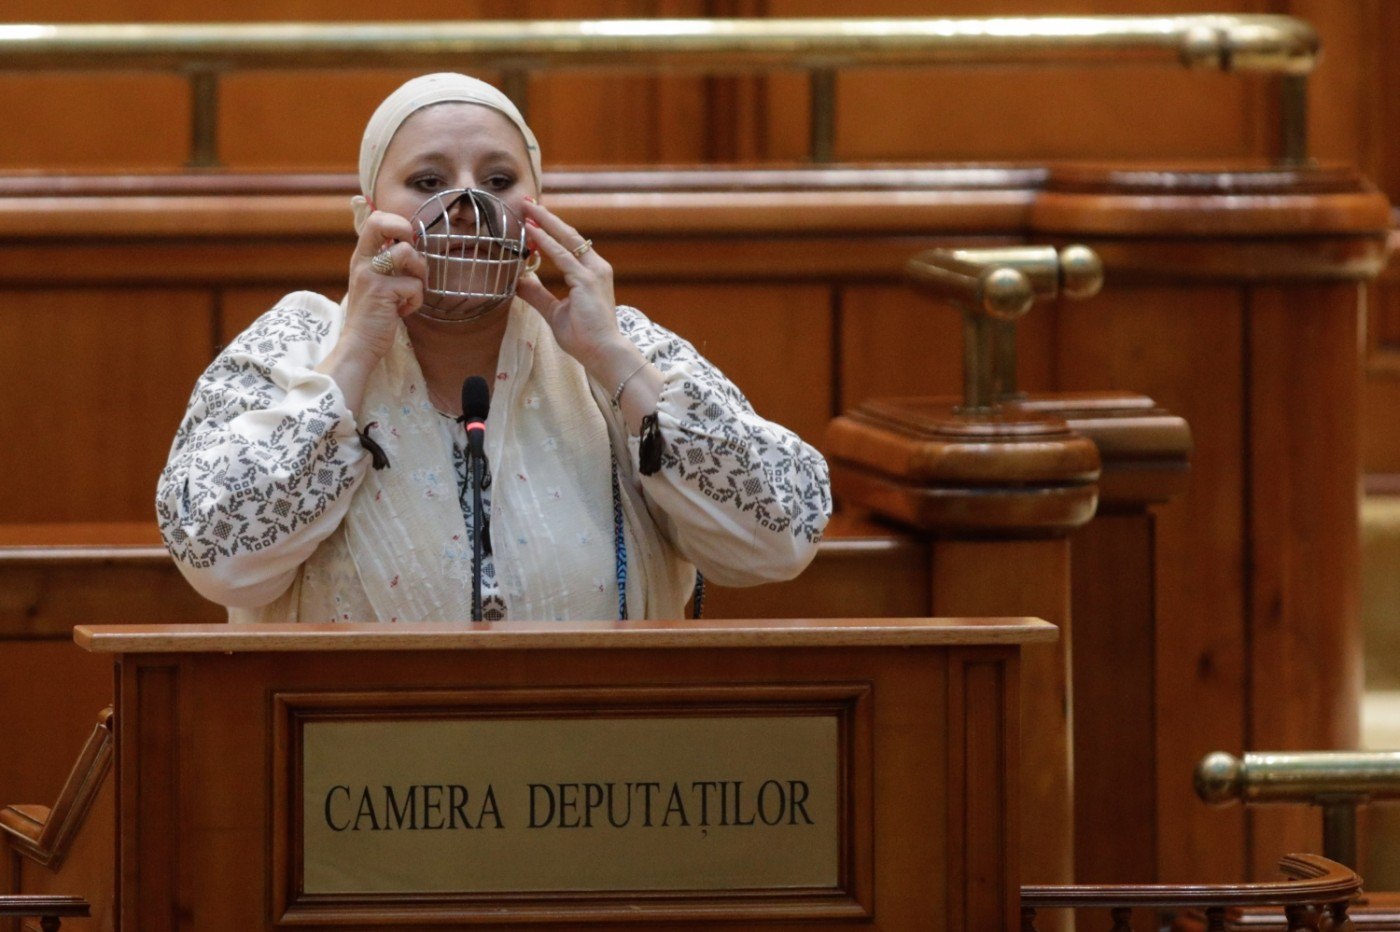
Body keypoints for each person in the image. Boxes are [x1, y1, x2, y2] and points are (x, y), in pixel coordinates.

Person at [156, 73, 831, 624]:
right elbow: (214, 553)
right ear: (368, 213)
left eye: (499, 181)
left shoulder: (621, 346)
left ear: (537, 212)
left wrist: (613, 360)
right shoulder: (296, 347)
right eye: (428, 182)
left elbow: (783, 538)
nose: (467, 203)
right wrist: (356, 352)